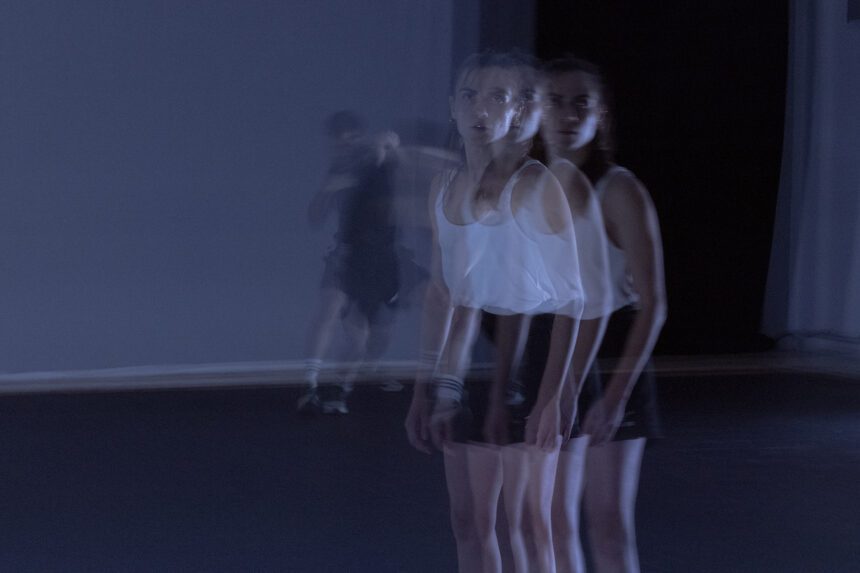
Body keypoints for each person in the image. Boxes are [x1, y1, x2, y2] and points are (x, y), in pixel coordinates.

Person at [405, 52, 583, 573]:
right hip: (468, 357)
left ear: (519, 111)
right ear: (452, 107)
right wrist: (423, 387)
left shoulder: (534, 185)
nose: (480, 108)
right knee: (469, 521)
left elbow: (573, 298)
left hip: (529, 351)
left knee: (527, 523)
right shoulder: (443, 187)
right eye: (470, 95)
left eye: (497, 97)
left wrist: (553, 396)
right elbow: (441, 292)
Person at [542, 56, 667, 573]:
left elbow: (653, 304)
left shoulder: (618, 189)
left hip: (609, 356)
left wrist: (615, 396)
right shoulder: (531, 187)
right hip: (550, 355)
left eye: (581, 103)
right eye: (555, 102)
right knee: (550, 522)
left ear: (601, 115)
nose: (568, 115)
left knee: (608, 524)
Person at [298, 111, 401, 414]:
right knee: (329, 309)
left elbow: (393, 148)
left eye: (351, 140)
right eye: (340, 142)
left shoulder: (379, 162)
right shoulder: (340, 172)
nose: (346, 146)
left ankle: (342, 387)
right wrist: (329, 187)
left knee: (367, 337)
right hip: (347, 255)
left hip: (381, 259)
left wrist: (386, 147)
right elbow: (315, 216)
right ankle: (309, 385)